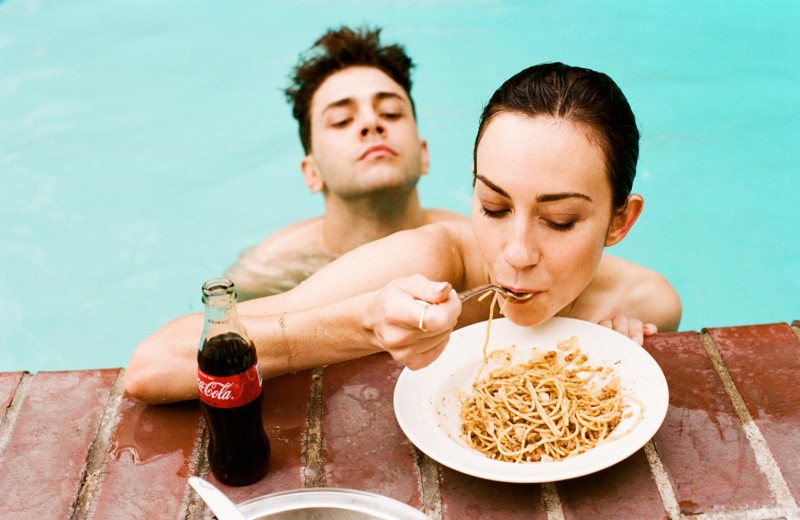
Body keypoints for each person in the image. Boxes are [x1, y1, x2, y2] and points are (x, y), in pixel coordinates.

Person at [126, 62, 682, 404]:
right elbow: (153, 366)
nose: (515, 254)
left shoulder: (646, 302)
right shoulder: (431, 257)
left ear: (620, 221)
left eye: (559, 220)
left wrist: (612, 350)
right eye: (492, 207)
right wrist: (362, 323)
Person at [225, 26, 466, 300]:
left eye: (391, 113)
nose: (371, 123)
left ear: (424, 154)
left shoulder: (473, 247)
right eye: (342, 120)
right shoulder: (267, 272)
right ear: (312, 172)